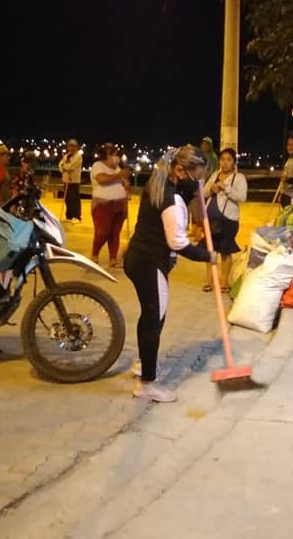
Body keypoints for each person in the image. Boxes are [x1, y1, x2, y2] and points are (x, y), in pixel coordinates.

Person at [124, 145, 215, 402]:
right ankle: (147, 384)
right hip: (150, 264)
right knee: (155, 320)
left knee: (149, 315)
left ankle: (143, 364)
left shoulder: (158, 184)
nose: (197, 183)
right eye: (196, 177)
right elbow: (178, 243)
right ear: (180, 171)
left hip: (138, 259)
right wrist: (207, 256)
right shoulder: (170, 198)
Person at [200, 147, 247, 293]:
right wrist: (211, 189)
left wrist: (226, 188)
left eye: (229, 160)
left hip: (228, 220)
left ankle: (224, 283)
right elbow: (203, 193)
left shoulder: (239, 178)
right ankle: (210, 281)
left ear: (234, 162)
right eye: (222, 159)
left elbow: (242, 197)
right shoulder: (215, 175)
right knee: (210, 250)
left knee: (225, 251)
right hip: (210, 219)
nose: (225, 163)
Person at [90, 143, 131, 268]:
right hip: (103, 205)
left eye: (116, 154)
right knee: (103, 232)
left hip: (119, 204)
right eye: (113, 154)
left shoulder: (118, 168)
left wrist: (126, 184)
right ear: (105, 155)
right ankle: (95, 253)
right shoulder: (98, 165)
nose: (116, 157)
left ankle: (113, 258)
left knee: (115, 233)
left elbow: (124, 183)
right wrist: (120, 175)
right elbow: (102, 179)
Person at [58, 138, 83, 222]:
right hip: (66, 180)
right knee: (67, 199)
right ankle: (69, 216)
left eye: (73, 146)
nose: (71, 148)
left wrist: (64, 167)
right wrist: (64, 167)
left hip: (73, 181)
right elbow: (60, 165)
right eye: (70, 146)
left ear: (77, 147)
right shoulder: (67, 155)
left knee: (74, 199)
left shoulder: (78, 156)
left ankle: (77, 216)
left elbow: (71, 167)